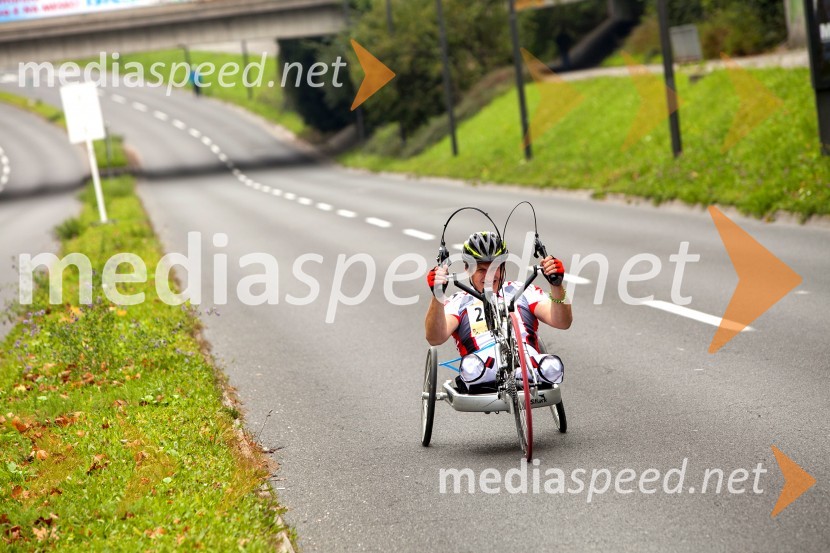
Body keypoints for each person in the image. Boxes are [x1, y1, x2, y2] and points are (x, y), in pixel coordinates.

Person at [424, 231, 572, 394]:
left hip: (525, 359)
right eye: (481, 269)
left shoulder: (523, 291)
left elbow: (562, 322)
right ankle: (510, 373)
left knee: (553, 368)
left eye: (495, 267)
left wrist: (557, 286)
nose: (489, 275)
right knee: (472, 368)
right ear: (467, 269)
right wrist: (437, 294)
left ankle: (524, 371)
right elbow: (435, 337)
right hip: (483, 366)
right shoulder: (459, 301)